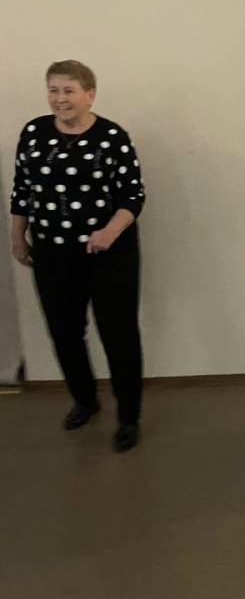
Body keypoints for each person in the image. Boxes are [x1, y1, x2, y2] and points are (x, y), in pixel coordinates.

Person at [10, 60, 146, 453]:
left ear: (90, 94)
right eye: (53, 90)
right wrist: (18, 236)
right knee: (64, 332)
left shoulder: (112, 137)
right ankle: (85, 401)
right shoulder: (34, 133)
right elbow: (22, 189)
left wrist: (109, 232)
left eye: (68, 91)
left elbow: (134, 195)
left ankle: (128, 417)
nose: (60, 99)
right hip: (53, 253)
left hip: (109, 254)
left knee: (118, 334)